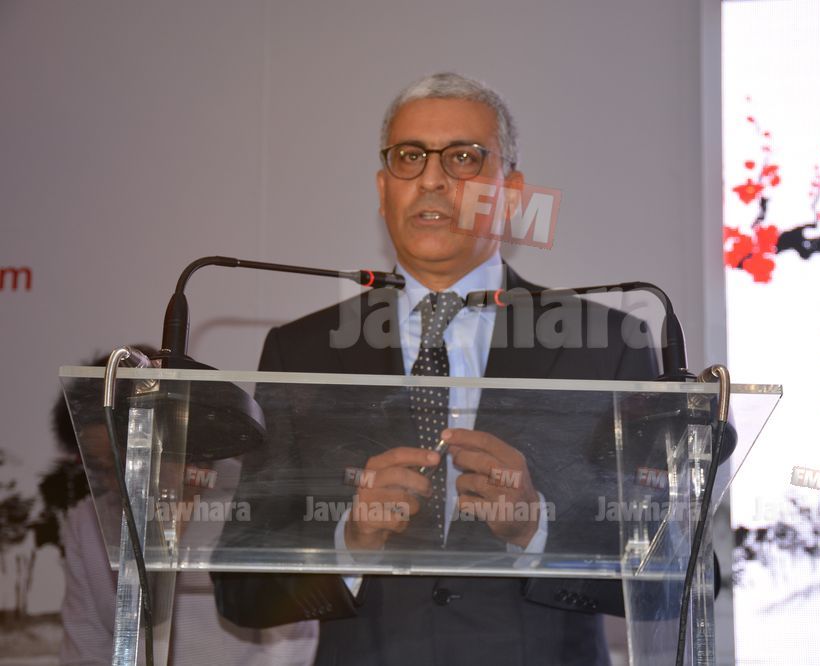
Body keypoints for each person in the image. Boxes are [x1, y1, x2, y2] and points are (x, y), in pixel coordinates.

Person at [212, 72, 659, 666]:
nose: (431, 179)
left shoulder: (606, 346)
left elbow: (677, 571)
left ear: (512, 194)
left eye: (463, 158)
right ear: (383, 190)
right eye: (410, 157)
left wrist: (536, 532)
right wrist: (349, 544)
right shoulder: (302, 353)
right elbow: (240, 589)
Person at [56, 351, 319, 665]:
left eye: (124, 461)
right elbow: (85, 649)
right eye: (99, 468)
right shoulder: (87, 523)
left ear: (165, 432)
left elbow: (291, 643)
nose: (114, 481)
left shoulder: (249, 502)